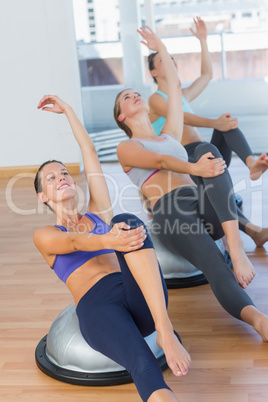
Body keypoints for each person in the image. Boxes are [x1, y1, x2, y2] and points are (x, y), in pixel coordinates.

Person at [33, 94, 191, 402]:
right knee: (142, 364)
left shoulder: (99, 212)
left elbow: (88, 150)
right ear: (43, 196)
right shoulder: (45, 235)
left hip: (139, 296)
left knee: (126, 218)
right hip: (98, 309)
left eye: (64, 172)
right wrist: (108, 240)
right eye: (50, 178)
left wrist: (68, 111)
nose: (61, 177)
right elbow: (74, 241)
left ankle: (164, 329)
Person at [114, 26, 268, 340]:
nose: (134, 96)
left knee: (208, 150)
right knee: (214, 264)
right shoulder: (126, 148)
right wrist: (191, 165)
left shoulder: (169, 132)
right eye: (126, 98)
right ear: (121, 117)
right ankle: (260, 322)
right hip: (172, 214)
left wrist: (161, 46)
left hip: (200, 200)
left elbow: (173, 85)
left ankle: (236, 246)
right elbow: (159, 162)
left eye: (135, 93)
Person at [147, 16, 268, 247]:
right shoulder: (155, 99)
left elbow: (206, 76)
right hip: (186, 160)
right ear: (153, 72)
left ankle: (252, 163)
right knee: (220, 128)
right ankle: (255, 231)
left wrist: (203, 40)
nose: (170, 61)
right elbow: (182, 116)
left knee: (228, 124)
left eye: (172, 58)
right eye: (163, 59)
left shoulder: (182, 96)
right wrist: (214, 123)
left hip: (207, 151)